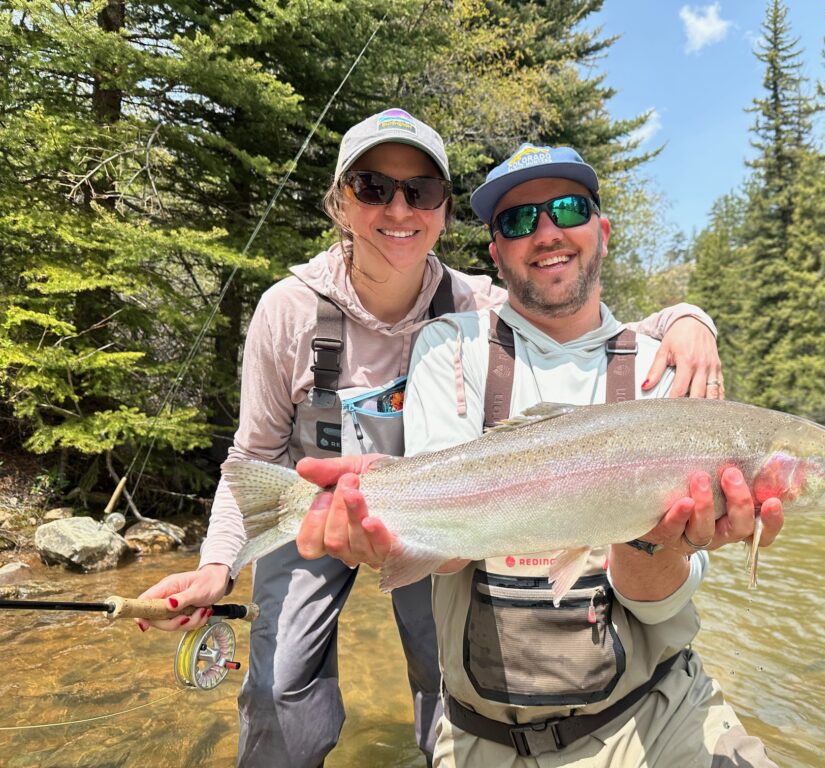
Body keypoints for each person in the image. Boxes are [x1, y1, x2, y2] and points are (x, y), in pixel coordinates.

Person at [134, 110, 728, 768]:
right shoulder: (289, 310)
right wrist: (217, 568)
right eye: (373, 187)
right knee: (280, 681)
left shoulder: (472, 304)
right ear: (340, 202)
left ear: (442, 211)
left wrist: (687, 319)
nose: (399, 209)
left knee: (442, 670)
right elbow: (253, 455)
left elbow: (575, 313)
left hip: (435, 509)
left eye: (420, 191)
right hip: (316, 512)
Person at [296, 143, 786, 767]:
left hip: (657, 718)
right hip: (486, 739)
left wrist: (654, 543)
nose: (547, 231)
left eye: (568, 209)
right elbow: (447, 554)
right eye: (519, 220)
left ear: (602, 230)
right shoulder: (450, 348)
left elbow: (661, 605)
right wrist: (388, 527)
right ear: (496, 254)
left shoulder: (664, 368)